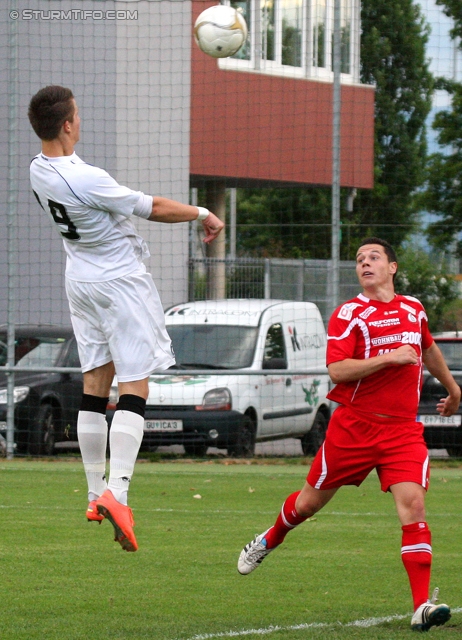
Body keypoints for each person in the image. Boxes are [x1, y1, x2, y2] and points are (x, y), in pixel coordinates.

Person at [28, 85, 224, 552]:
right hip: (119, 283)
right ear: (68, 124)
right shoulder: (85, 178)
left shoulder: (37, 169)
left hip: (80, 280)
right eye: (77, 114)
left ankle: (95, 494)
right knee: (135, 384)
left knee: (96, 382)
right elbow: (152, 207)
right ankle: (120, 492)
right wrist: (203, 212)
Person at [237, 237, 460, 632]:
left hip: (402, 432)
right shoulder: (349, 314)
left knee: (414, 508)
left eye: (374, 257)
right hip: (355, 426)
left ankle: (421, 606)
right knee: (307, 506)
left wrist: (453, 388)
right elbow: (337, 370)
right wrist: (389, 357)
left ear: (392, 267)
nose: (365, 263)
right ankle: (270, 538)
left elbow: (427, 349)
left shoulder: (414, 309)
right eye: (359, 259)